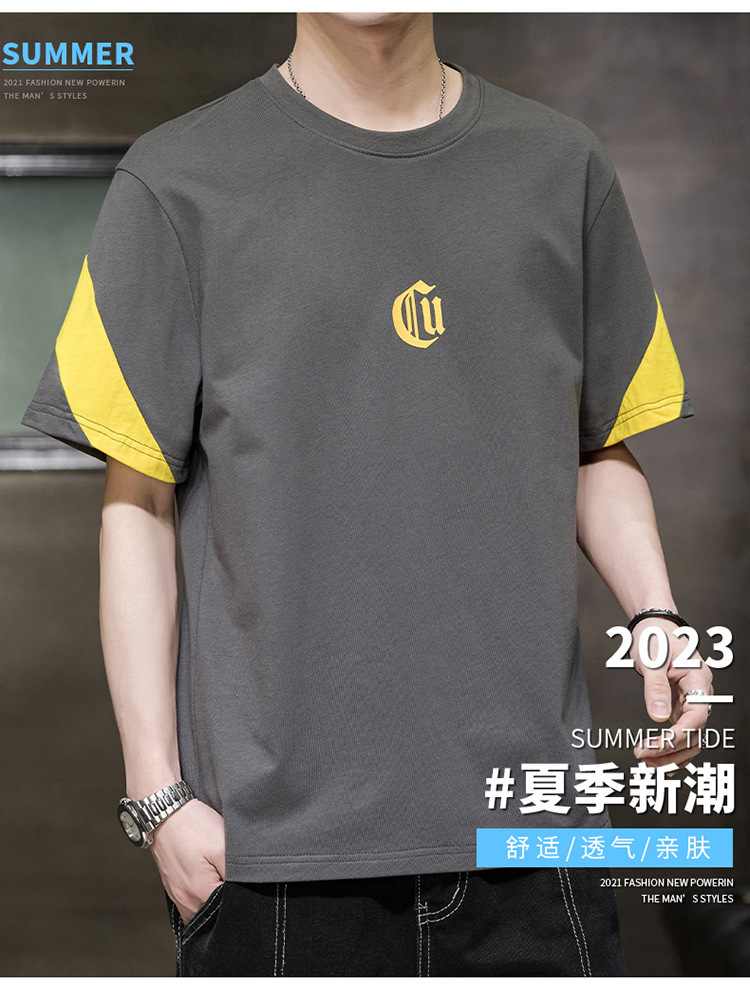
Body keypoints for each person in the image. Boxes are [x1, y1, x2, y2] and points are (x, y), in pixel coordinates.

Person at [23, 12, 713, 977]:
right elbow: (136, 502)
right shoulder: (175, 179)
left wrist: (656, 613)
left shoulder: (563, 166)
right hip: (273, 860)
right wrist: (159, 796)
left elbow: (598, 444)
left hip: (535, 838)